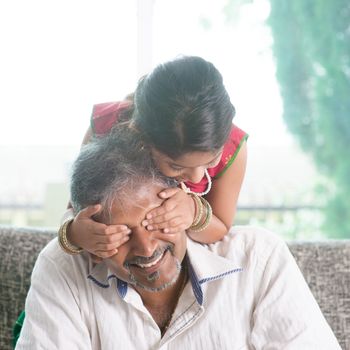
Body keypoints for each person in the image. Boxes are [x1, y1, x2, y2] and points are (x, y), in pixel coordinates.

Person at [16, 128, 341, 349]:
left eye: (155, 220)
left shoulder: (259, 259)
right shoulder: (64, 267)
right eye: (121, 233)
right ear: (90, 235)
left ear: (182, 198)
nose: (146, 248)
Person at [63, 55, 248, 260]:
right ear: (141, 136)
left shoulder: (233, 149)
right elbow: (74, 208)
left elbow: (221, 226)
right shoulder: (105, 129)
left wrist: (194, 212)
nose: (196, 178)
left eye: (210, 162)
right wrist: (74, 233)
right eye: (176, 166)